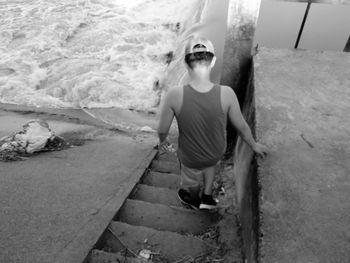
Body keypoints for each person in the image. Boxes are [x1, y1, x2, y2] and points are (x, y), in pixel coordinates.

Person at [157, 37, 267, 210]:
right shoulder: (227, 93)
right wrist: (254, 145)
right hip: (216, 151)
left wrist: (163, 141)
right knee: (210, 165)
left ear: (186, 65)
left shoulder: (174, 95)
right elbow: (242, 126)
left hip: (190, 156)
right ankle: (207, 196)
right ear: (213, 61)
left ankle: (192, 198)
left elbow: (162, 129)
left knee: (190, 176)